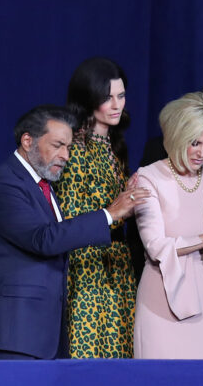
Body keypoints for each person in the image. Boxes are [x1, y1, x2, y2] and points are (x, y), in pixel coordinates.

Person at [0, 105, 148, 360]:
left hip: (42, 337)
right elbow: (43, 239)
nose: (66, 155)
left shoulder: (42, 185)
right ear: (27, 140)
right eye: (57, 145)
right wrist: (110, 213)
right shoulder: (4, 186)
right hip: (13, 337)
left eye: (68, 147)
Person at [133, 92, 203, 359]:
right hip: (160, 290)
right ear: (176, 137)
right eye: (194, 143)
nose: (202, 152)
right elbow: (156, 247)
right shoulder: (148, 177)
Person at [53, 57, 137, 358]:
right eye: (107, 97)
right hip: (87, 269)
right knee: (86, 362)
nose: (116, 105)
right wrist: (118, 211)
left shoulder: (115, 147)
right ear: (89, 99)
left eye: (121, 95)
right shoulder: (74, 148)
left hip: (118, 267)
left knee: (121, 364)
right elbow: (71, 216)